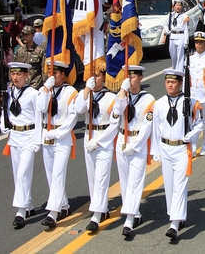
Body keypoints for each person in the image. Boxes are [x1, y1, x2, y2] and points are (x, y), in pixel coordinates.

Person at [150, 69, 204, 240]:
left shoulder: (190, 102)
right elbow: (155, 129)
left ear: (181, 83)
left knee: (180, 185)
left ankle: (174, 223)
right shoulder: (159, 104)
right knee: (169, 185)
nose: (170, 84)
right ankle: (176, 216)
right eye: (167, 82)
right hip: (166, 147)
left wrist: (192, 137)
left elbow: (199, 123)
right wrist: (155, 150)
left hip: (182, 149)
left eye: (173, 82)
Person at [75, 68, 119, 233]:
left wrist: (99, 142)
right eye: (91, 75)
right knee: (92, 178)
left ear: (104, 77)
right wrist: (86, 89)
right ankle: (102, 208)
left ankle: (96, 215)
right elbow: (79, 110)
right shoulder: (86, 95)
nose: (94, 78)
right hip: (88, 135)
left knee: (101, 177)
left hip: (103, 139)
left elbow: (114, 124)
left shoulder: (111, 97)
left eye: (98, 75)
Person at [113, 65, 155, 238]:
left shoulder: (148, 99)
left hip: (137, 144)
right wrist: (122, 92)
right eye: (127, 77)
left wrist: (135, 145)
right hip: (122, 140)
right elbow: (115, 114)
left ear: (141, 78)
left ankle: (129, 221)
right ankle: (135, 212)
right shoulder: (123, 96)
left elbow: (147, 126)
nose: (130, 80)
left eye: (133, 77)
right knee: (124, 181)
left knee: (135, 182)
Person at [0, 62, 42, 229]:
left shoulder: (33, 93)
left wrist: (37, 140)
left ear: (26, 75)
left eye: (19, 74)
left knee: (23, 173)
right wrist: (3, 123)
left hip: (29, 136)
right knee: (17, 173)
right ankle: (29, 204)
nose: (15, 77)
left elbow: (39, 117)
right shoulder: (8, 92)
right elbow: (5, 110)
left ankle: (20, 212)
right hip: (15, 136)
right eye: (13, 74)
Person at [37, 60, 79, 228]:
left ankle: (53, 213)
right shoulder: (44, 90)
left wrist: (57, 132)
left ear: (63, 74)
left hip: (62, 137)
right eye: (49, 72)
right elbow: (40, 108)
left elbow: (72, 117)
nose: (52, 76)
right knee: (50, 174)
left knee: (58, 173)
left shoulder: (70, 92)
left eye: (55, 73)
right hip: (47, 135)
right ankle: (63, 205)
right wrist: (46, 90)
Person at [166, 0, 189, 72]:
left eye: (179, 5)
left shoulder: (184, 16)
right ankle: (174, 69)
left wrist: (186, 41)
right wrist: (167, 31)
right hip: (172, 37)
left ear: (182, 7)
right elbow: (166, 25)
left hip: (180, 36)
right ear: (174, 6)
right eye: (176, 5)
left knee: (180, 56)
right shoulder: (170, 15)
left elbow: (185, 29)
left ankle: (179, 71)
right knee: (173, 55)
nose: (178, 7)